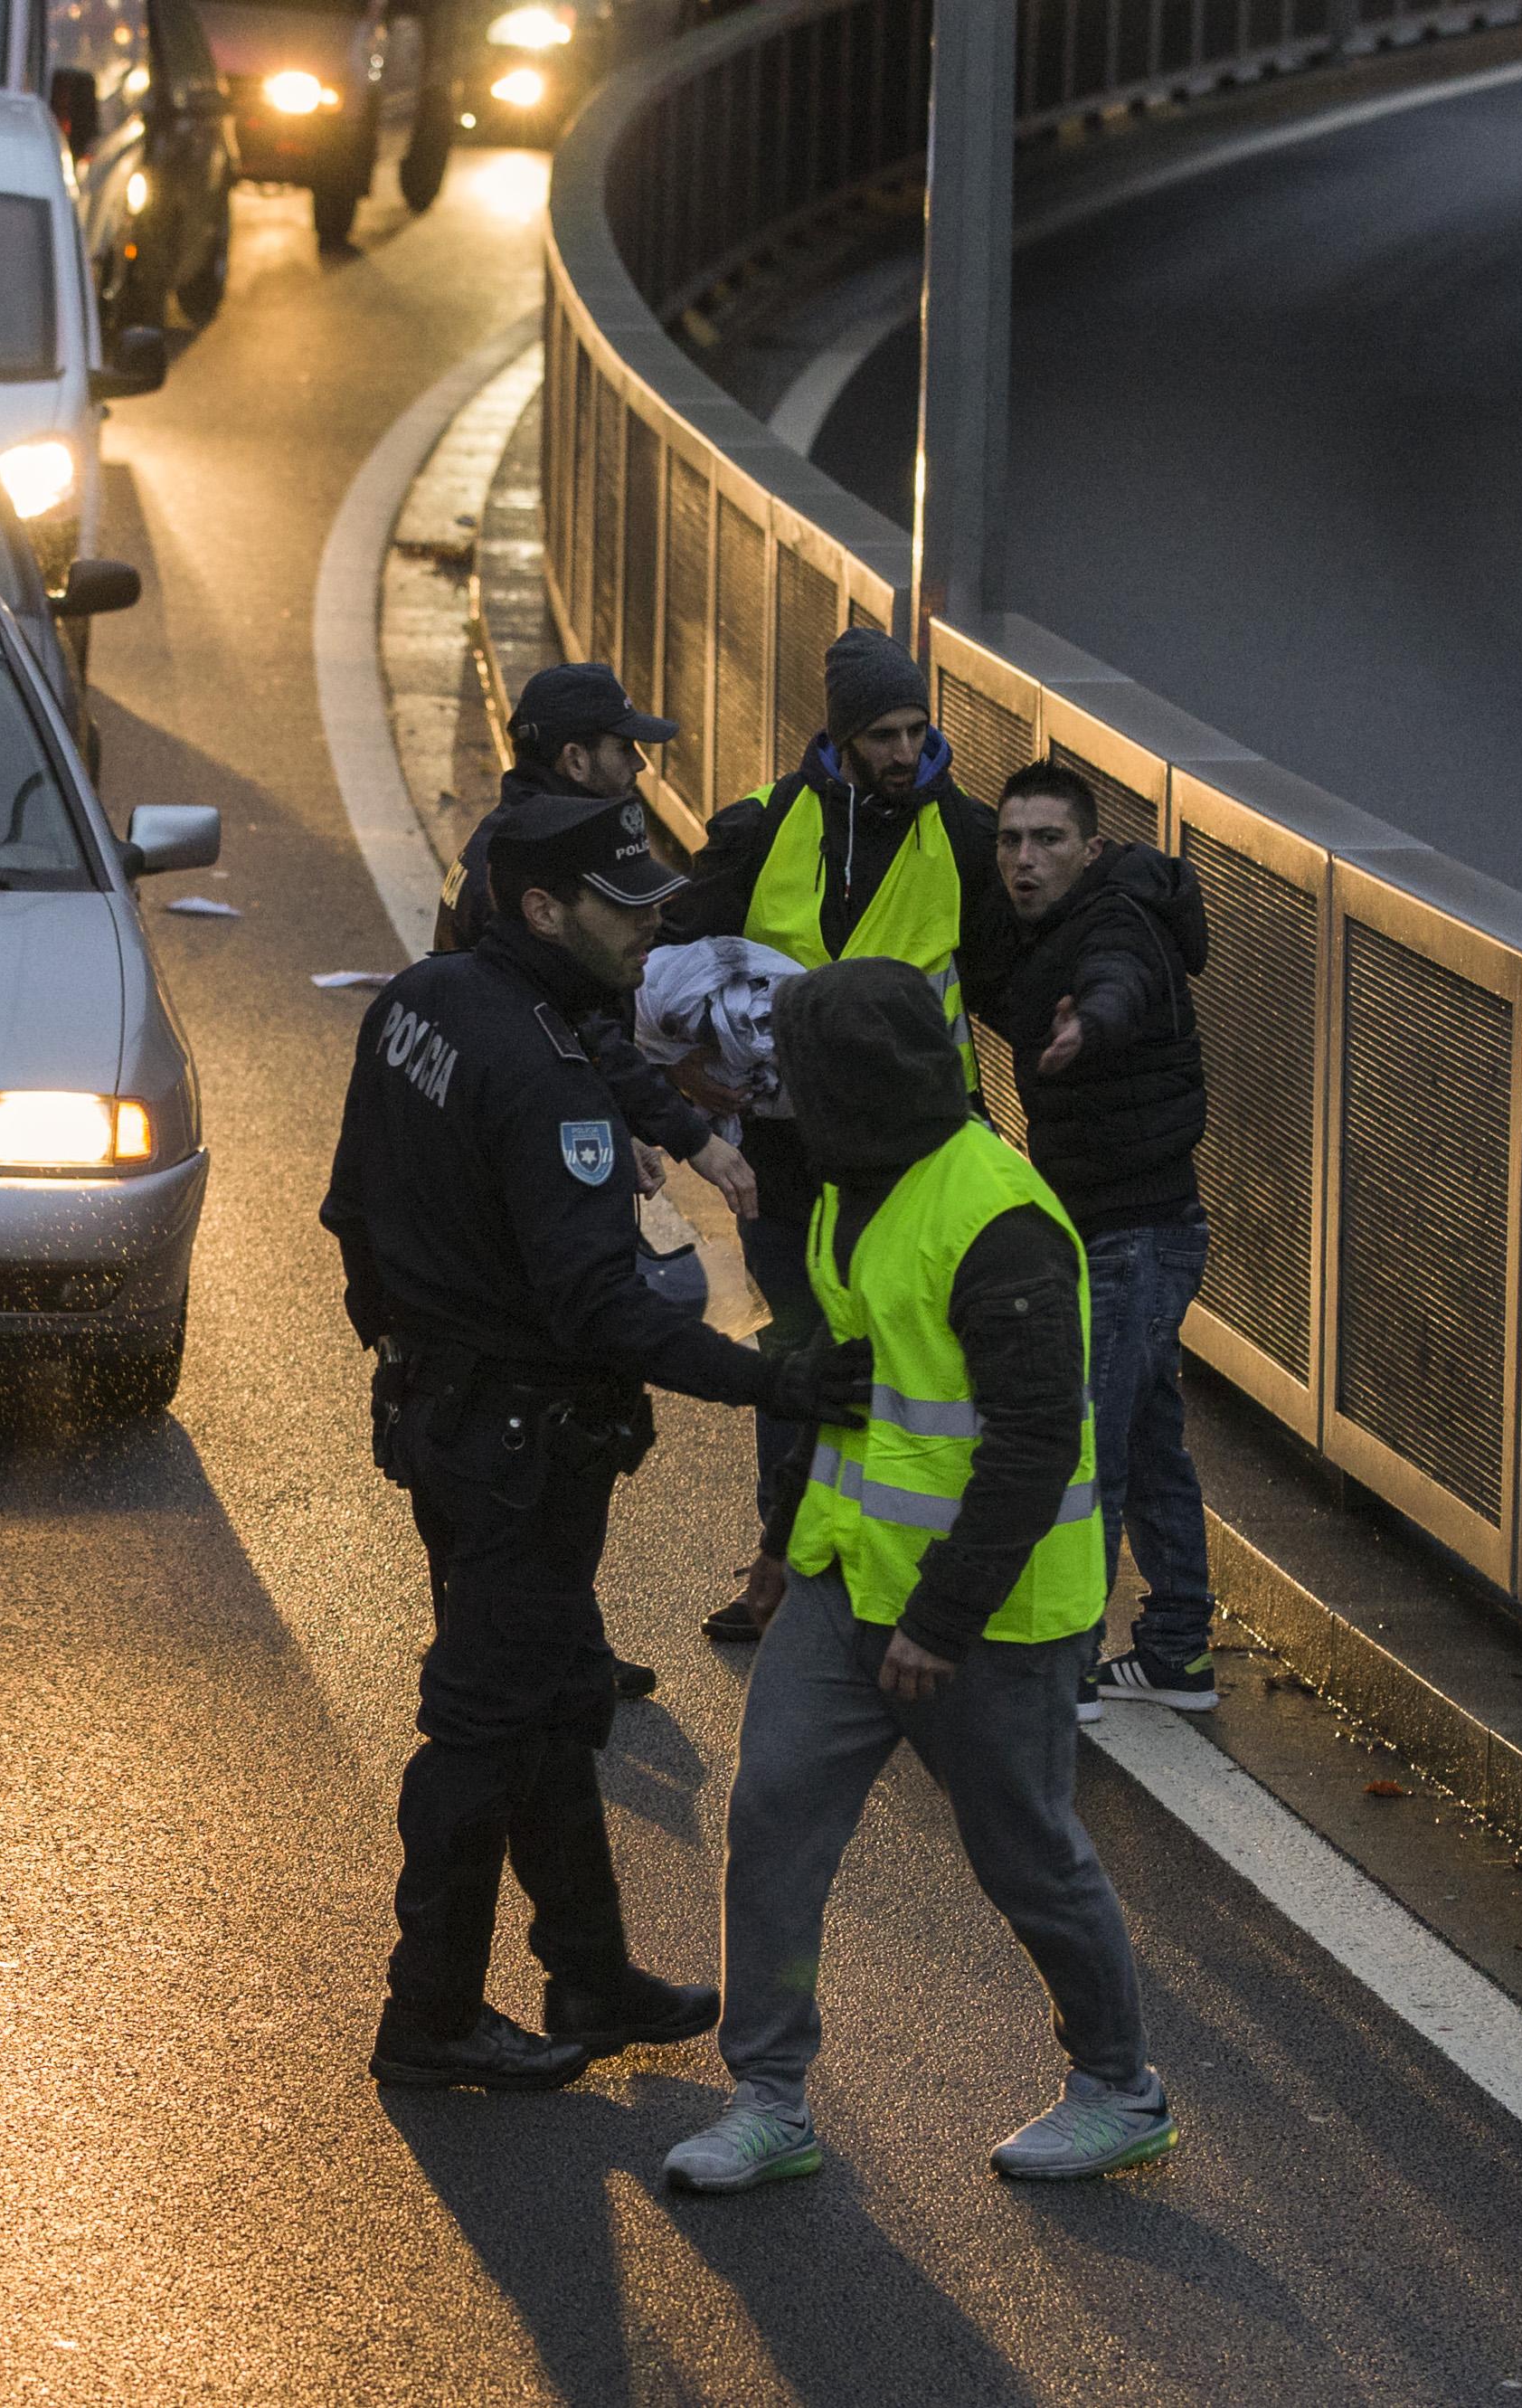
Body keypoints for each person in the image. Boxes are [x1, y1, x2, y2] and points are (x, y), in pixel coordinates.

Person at [323, 791, 874, 2091]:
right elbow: (602, 1307)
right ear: (538, 906)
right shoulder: (542, 1078)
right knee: (480, 1724)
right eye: (621, 906)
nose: (650, 926)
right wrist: (769, 1378)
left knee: (558, 1695)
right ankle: (432, 2012)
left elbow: (350, 1199)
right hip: (520, 1447)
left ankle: (589, 1968)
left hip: (444, 1419)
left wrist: (402, 1357)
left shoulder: (422, 1000)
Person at [662, 956, 1175, 2195]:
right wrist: (784, 1552)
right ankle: (768, 2096)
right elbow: (851, 1386)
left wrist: (941, 1619)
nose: (771, 1092)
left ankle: (1119, 2084)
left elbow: (1036, 1435)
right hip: (847, 1583)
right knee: (773, 1818)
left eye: (795, 1071)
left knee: (1025, 1850)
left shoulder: (993, 1217)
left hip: (987, 1615)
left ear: (847, 1083)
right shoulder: (853, 1185)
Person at [666, 625, 1020, 1646]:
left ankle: (904, 1575)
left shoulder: (964, 834)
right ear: (840, 735)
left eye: (917, 728)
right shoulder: (766, 828)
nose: (906, 751)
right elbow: (670, 966)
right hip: (789, 1155)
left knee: (916, 1369)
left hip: (924, 1165)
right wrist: (688, 1086)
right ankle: (784, 1567)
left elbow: (1015, 981)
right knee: (797, 1362)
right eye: (883, 734)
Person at [440, 663, 762, 1701]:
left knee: (533, 1416)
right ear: (576, 758)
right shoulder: (545, 865)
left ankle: (532, 1639)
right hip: (530, 1171)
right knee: (562, 1405)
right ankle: (520, 1656)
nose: (638, 769)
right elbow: (580, 1031)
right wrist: (682, 1134)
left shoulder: (516, 845)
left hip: (514, 1157)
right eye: (626, 751)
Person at [984, 762, 1215, 1719]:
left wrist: (1094, 1025)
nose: (1024, 859)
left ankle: (1069, 1662)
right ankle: (1175, 1651)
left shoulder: (1114, 923)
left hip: (1135, 1235)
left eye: (1046, 841)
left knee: (1093, 1449)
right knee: (1149, 1435)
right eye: (1010, 841)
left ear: (1090, 845)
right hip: (1124, 1227)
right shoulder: (1058, 923)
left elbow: (1116, 985)